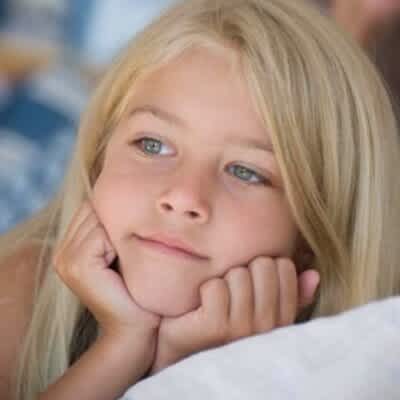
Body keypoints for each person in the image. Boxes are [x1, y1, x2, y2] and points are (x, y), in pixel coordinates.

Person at [0, 0, 399, 399]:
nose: (182, 196)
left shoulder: (361, 370)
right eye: (152, 144)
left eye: (245, 171)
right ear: (97, 161)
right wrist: (122, 350)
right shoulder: (23, 286)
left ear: (312, 241)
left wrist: (190, 370)